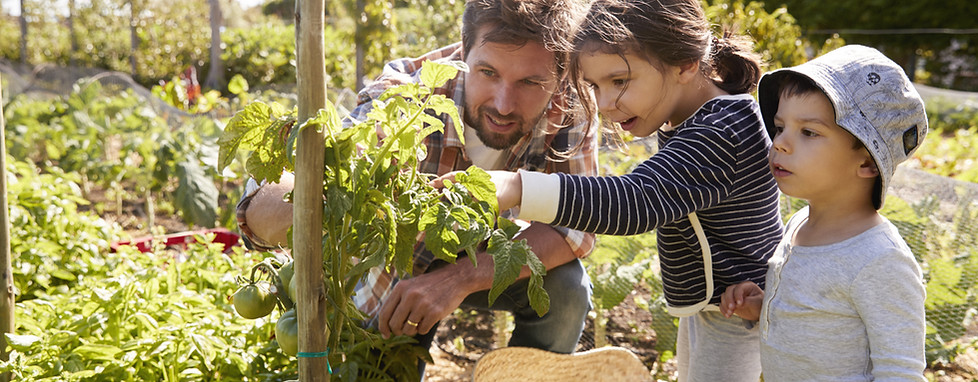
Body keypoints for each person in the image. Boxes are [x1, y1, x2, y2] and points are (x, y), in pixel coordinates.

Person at [236, 0, 599, 371]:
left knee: (566, 288)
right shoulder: (409, 93)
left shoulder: (571, 107)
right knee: (377, 365)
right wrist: (342, 179)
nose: (504, 104)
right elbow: (267, 203)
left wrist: (459, 278)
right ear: (464, 51)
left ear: (560, 75)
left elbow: (578, 225)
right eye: (488, 72)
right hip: (402, 269)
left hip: (485, 255)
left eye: (530, 82)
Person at [452, 0, 785, 380]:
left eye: (619, 81)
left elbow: (635, 200)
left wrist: (516, 187)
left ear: (685, 64)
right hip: (719, 305)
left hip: (738, 309)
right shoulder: (694, 117)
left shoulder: (721, 131)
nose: (606, 104)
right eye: (594, 85)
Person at [719, 45, 928, 380]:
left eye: (809, 132)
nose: (780, 144)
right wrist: (763, 307)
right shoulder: (799, 224)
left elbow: (901, 370)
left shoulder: (879, 260)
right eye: (780, 126)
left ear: (866, 161)